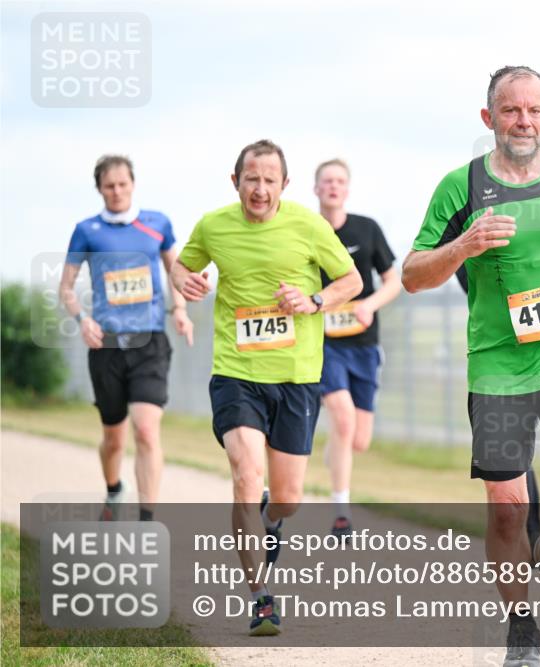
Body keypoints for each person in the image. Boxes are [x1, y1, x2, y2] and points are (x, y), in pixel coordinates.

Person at [402, 66, 540, 666]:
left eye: (533, 110)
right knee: (507, 508)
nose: (522, 121)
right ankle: (520, 629)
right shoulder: (461, 187)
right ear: (489, 119)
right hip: (499, 368)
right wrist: (464, 246)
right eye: (510, 110)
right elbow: (413, 275)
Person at [170, 139, 361, 636]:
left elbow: (352, 280)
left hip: (296, 377)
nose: (259, 189)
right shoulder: (213, 225)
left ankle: (270, 521)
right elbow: (182, 263)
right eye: (250, 179)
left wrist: (314, 299)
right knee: (246, 473)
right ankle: (261, 599)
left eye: (269, 180)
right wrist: (183, 280)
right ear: (236, 182)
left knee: (288, 500)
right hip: (237, 372)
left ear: (284, 185)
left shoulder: (307, 225)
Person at [59, 154, 194, 523]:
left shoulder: (157, 224)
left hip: (149, 341)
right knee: (115, 438)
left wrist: (179, 310)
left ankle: (147, 518)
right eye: (109, 186)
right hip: (106, 346)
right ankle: (115, 487)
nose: (117, 191)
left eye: (122, 184)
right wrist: (82, 320)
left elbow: (176, 272)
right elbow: (66, 288)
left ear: (133, 184)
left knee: (147, 430)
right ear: (99, 189)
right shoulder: (86, 230)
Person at [313, 158, 401, 538]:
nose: (333, 187)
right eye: (326, 181)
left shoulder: (366, 229)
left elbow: (393, 282)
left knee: (357, 440)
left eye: (339, 181)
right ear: (316, 188)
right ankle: (341, 513)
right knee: (343, 419)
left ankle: (334, 455)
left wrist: (368, 304)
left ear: (346, 189)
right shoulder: (306, 231)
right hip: (323, 344)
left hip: (364, 344)